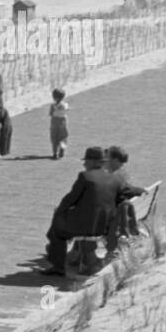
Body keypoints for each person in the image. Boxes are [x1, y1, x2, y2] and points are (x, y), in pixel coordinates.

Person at [43, 147, 126, 275]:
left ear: (94, 162)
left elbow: (70, 199)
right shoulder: (114, 179)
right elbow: (128, 191)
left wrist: (59, 211)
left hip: (88, 227)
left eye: (86, 161)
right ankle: (74, 255)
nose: (84, 164)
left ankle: (58, 266)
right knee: (61, 222)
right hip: (105, 227)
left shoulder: (85, 176)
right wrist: (142, 191)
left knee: (57, 228)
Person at [49, 87, 69, 159]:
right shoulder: (65, 105)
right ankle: (62, 149)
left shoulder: (52, 105)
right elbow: (66, 111)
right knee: (63, 136)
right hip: (63, 121)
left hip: (54, 121)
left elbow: (51, 114)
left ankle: (55, 152)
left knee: (54, 137)